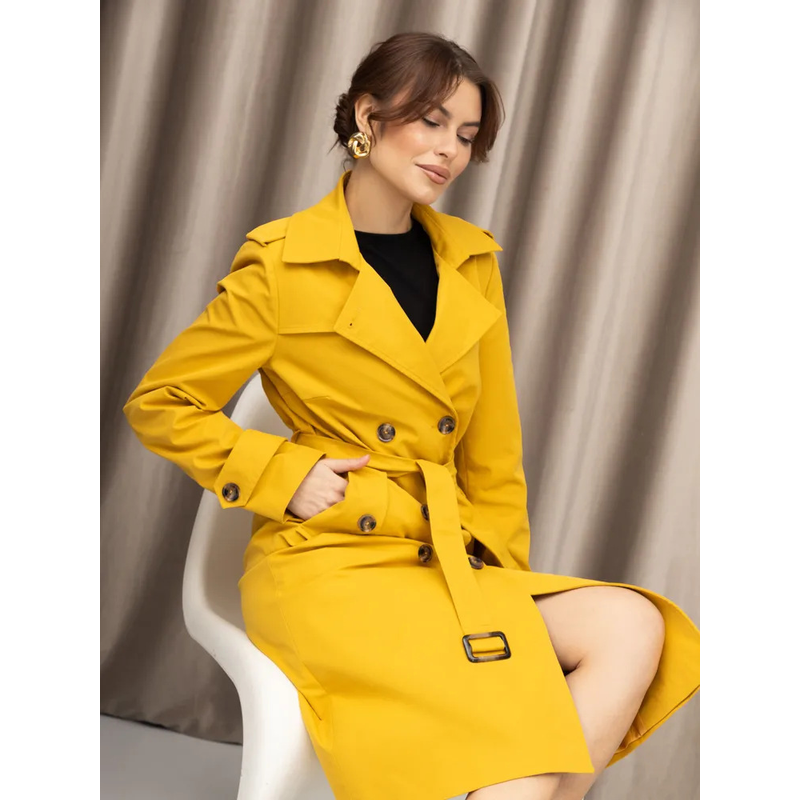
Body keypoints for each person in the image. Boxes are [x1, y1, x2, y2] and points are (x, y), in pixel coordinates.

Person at [123, 31, 700, 800]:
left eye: (466, 134)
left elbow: (493, 452)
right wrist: (283, 473)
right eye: (430, 122)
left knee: (632, 625)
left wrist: (499, 573)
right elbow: (161, 403)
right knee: (518, 752)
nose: (449, 150)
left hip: (443, 558)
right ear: (369, 116)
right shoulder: (284, 261)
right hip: (328, 565)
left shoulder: (471, 261)